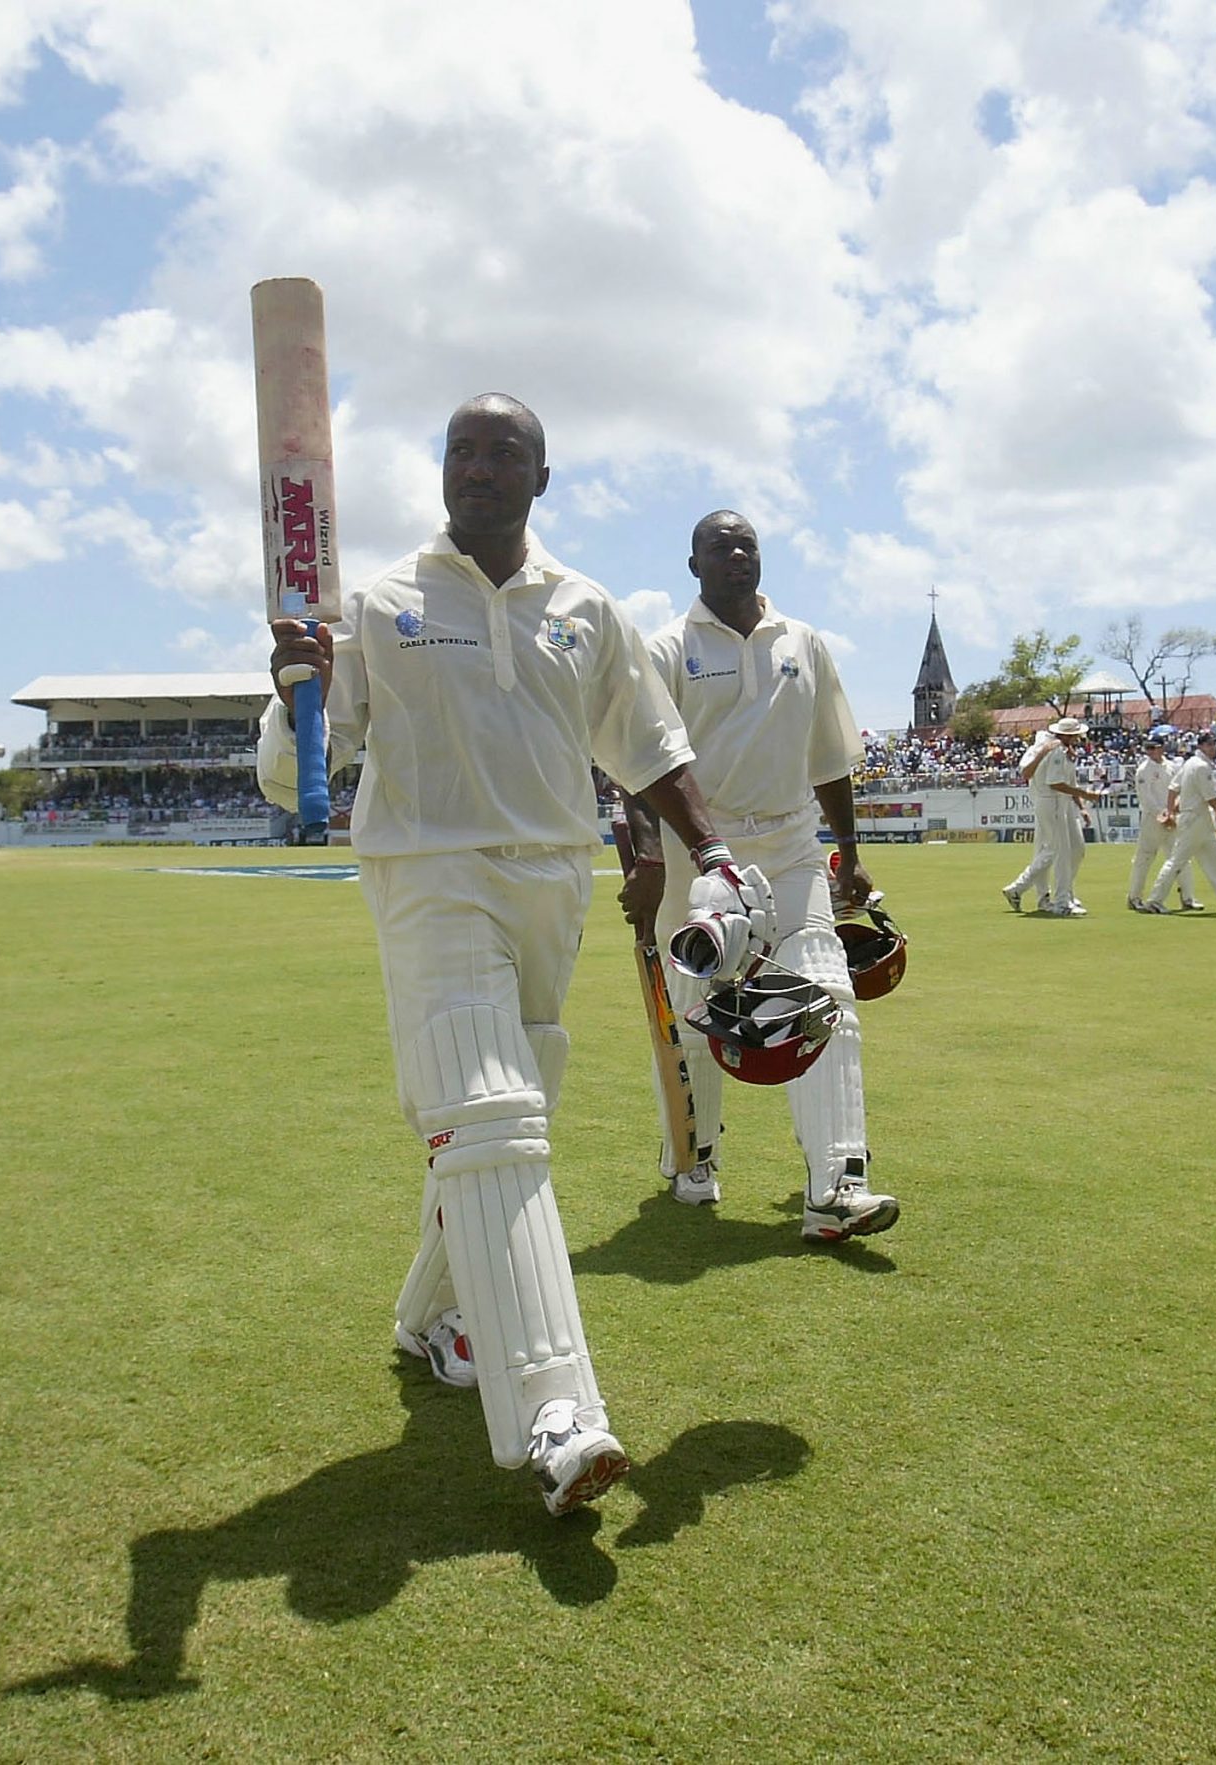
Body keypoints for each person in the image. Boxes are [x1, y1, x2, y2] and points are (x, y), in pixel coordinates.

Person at [258, 393, 766, 1517]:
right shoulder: (380, 604)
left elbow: (648, 746)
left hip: (549, 878)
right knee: (491, 1114)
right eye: (461, 451)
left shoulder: (583, 608)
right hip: (428, 874)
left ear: (542, 476)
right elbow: (293, 767)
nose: (477, 468)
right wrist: (292, 683)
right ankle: (557, 1412)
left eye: (504, 454)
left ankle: (428, 1315)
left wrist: (716, 852)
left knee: (518, 1098)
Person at [619, 509, 896, 1240]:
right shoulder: (667, 648)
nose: (737, 555)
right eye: (720, 545)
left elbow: (830, 758)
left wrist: (852, 851)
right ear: (694, 564)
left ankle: (837, 1184)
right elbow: (637, 764)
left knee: (827, 991)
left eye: (747, 544)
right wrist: (648, 857)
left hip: (792, 845)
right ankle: (693, 1153)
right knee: (697, 1010)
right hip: (698, 854)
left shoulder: (803, 644)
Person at [1001, 717, 1103, 916]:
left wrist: (1080, 806)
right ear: (1065, 734)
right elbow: (1054, 783)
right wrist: (1086, 795)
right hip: (1053, 801)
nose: (1078, 738)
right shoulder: (1054, 748)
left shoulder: (1048, 746)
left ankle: (1049, 897)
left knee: (1058, 850)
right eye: (1074, 735)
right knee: (1057, 851)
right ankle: (1050, 897)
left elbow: (1030, 771)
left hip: (1050, 802)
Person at [1142, 733, 1216, 916]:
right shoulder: (1200, 766)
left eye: (1214, 744)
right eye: (1209, 744)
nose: (1213, 747)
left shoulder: (1190, 763)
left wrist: (1170, 810)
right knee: (1177, 860)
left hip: (1197, 819)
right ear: (1201, 746)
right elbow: (1210, 796)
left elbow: (1173, 788)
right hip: (1195, 819)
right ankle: (1154, 900)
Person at [1125, 734, 1178, 910]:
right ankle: (1134, 897)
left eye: (1152, 748)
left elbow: (1178, 790)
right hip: (1152, 818)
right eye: (1147, 748)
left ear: (1162, 748)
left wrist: (1171, 812)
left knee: (1179, 857)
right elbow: (1145, 798)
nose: (1149, 752)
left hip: (1171, 816)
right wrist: (1161, 814)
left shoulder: (1171, 766)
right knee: (1145, 857)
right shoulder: (1143, 769)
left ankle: (1188, 897)